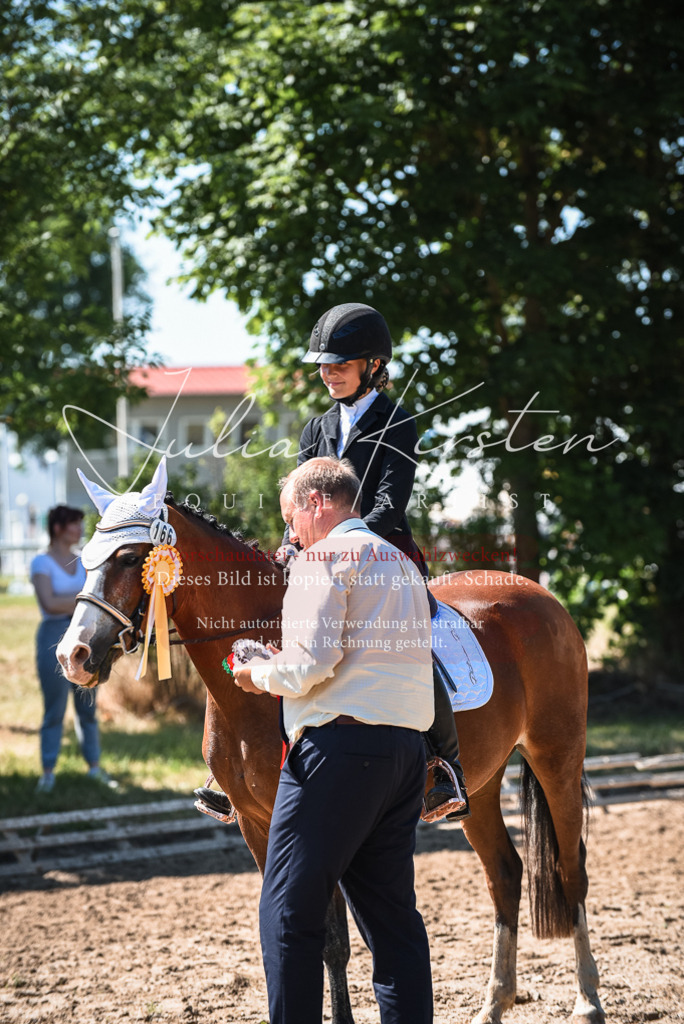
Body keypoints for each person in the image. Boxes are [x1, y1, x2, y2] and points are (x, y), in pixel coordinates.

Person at [196, 302, 468, 822]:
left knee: (419, 642)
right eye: (324, 364)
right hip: (315, 553)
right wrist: (291, 543)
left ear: (372, 365)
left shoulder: (398, 421)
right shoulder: (315, 428)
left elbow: (391, 504)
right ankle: (238, 765)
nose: (328, 372)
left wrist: (342, 541)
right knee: (269, 631)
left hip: (385, 552)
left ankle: (443, 765)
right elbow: (300, 498)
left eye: (340, 363)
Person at [233, 457, 434, 1024]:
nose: (289, 535)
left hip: (338, 752)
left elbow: (309, 667)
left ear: (315, 504)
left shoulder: (322, 559)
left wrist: (256, 673)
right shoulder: (398, 561)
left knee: (287, 913)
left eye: (290, 519)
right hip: (406, 753)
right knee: (394, 922)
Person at [30, 505, 113, 793]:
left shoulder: (84, 561)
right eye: (74, 524)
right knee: (54, 710)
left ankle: (94, 767)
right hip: (53, 633)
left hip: (86, 636)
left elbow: (76, 598)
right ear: (58, 528)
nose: (80, 529)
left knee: (87, 708)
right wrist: (84, 600)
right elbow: (48, 603)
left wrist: (74, 600)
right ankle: (48, 773)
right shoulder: (41, 562)